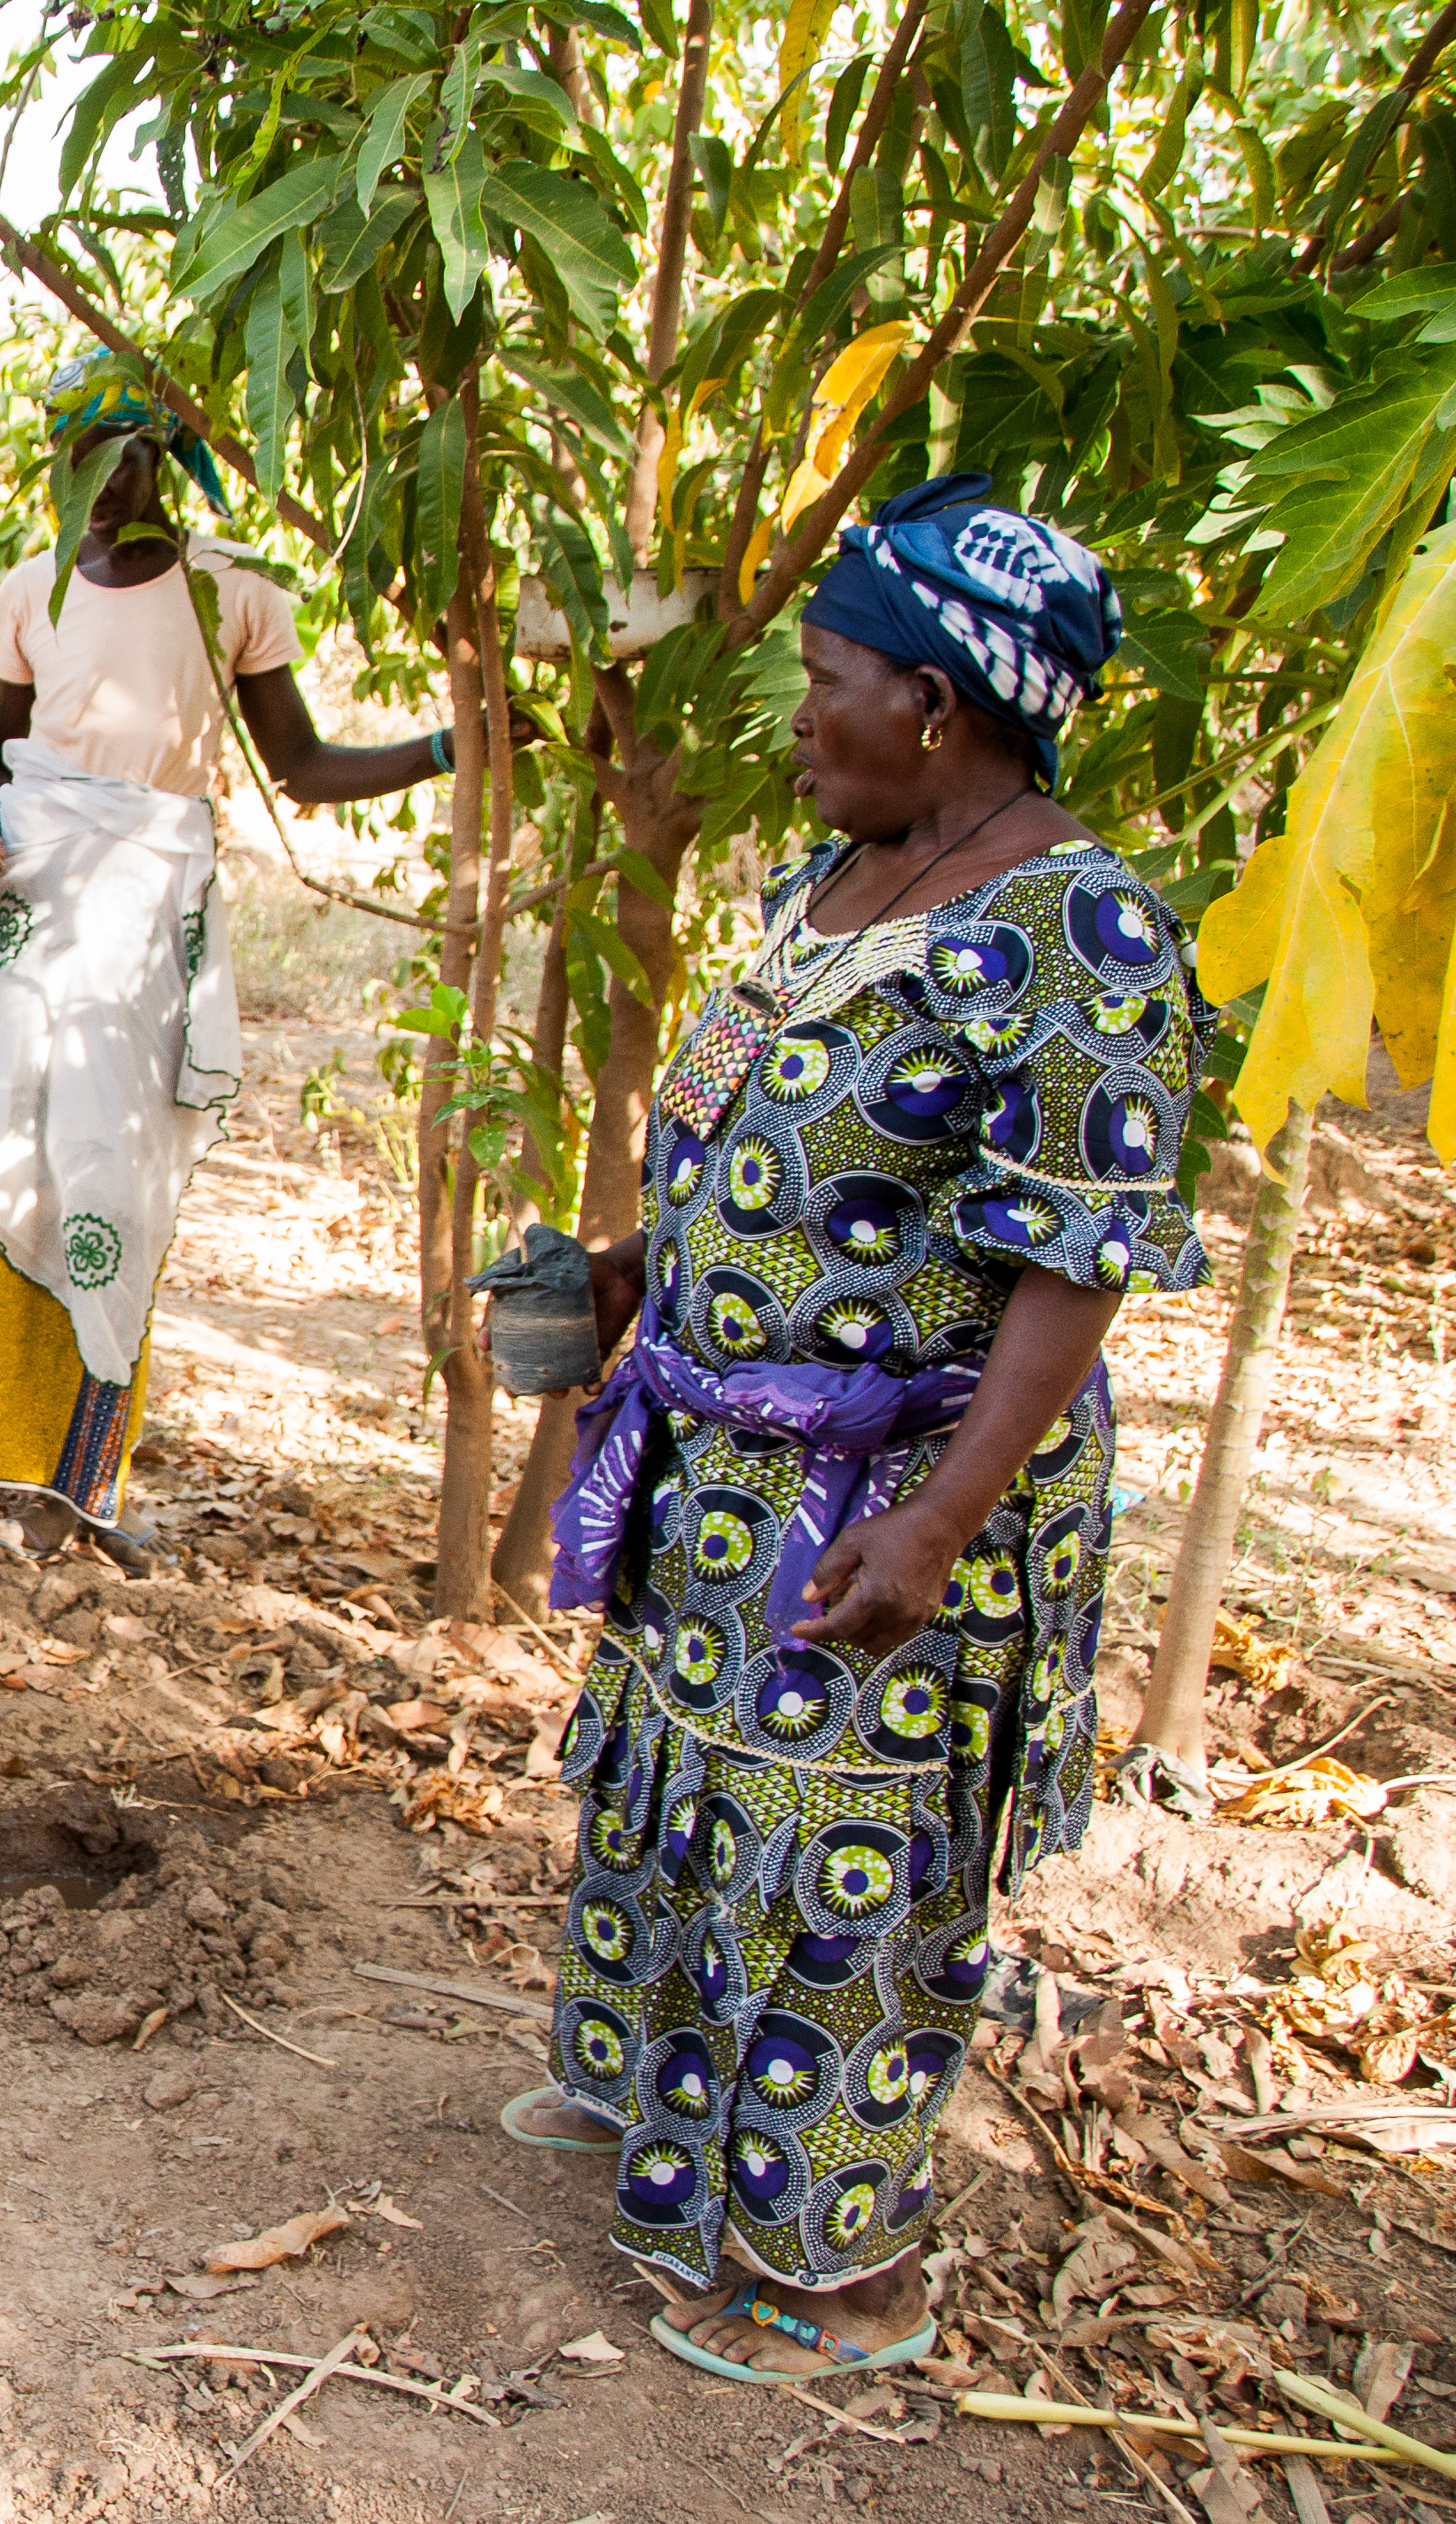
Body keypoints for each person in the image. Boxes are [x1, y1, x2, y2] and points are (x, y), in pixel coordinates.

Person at [499, 478, 1202, 2387]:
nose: (793, 715)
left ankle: (833, 2263)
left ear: (934, 703)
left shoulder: (1078, 928)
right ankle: (665, 2133)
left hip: (890, 1484)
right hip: (715, 1458)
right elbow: (759, 1136)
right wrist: (641, 1264)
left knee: (841, 1849)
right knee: (685, 1794)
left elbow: (1071, 1262)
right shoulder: (829, 878)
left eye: (819, 678)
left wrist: (940, 1521)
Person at [0, 349, 462, 1562]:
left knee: (114, 1177)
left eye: (123, 458)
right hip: (34, 917)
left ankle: (80, 1488)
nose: (102, 487)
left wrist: (445, 748)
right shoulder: (30, 593)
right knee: (13, 1158)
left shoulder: (234, 596)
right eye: (78, 463)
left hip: (144, 924)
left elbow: (304, 768)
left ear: (164, 457)